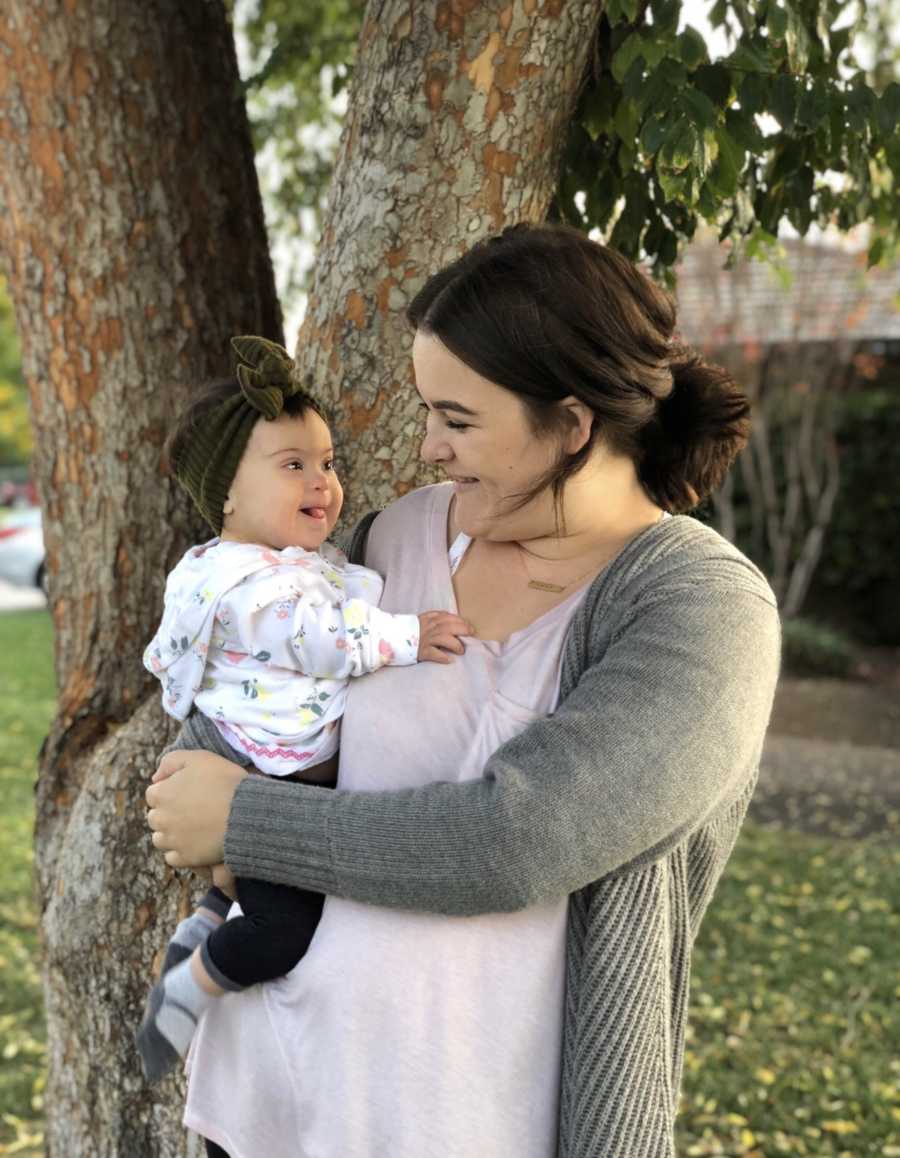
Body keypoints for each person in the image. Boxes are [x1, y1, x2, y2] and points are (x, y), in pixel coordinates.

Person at [146, 224, 781, 1158]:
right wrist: (192, 772)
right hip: (274, 1099)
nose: (429, 446)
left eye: (458, 417)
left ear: (572, 424)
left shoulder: (698, 607)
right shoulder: (393, 538)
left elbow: (514, 840)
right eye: (427, 411)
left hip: (476, 1129)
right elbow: (254, 674)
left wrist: (244, 823)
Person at [136, 335, 469, 1083]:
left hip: (263, 764)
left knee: (236, 890)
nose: (323, 482)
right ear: (226, 491)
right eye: (294, 466)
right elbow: (322, 641)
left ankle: (202, 928)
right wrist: (410, 636)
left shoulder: (268, 564)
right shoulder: (251, 588)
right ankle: (188, 990)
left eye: (327, 462)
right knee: (284, 930)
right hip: (272, 783)